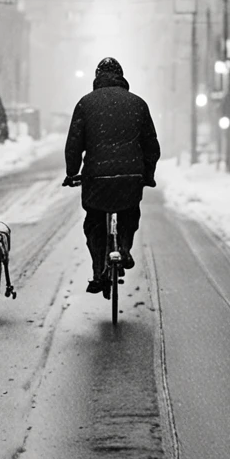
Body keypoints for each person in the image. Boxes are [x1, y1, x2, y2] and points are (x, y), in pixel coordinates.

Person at [63, 57, 160, 293]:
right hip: (130, 176)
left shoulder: (85, 104)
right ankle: (124, 248)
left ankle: (98, 270)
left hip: (96, 178)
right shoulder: (138, 104)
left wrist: (71, 172)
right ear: (121, 77)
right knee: (129, 213)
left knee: (95, 222)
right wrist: (148, 174)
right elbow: (151, 146)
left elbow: (74, 145)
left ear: (97, 79)